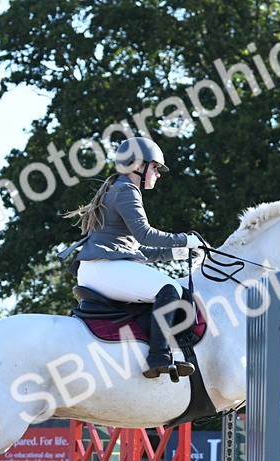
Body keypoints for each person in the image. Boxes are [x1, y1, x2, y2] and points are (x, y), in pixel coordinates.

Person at [62, 136, 203, 379]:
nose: (158, 174)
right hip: (103, 268)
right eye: (155, 168)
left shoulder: (120, 188)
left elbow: (138, 248)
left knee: (166, 288)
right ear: (139, 165)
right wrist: (184, 239)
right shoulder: (126, 189)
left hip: (103, 267)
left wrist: (178, 252)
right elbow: (145, 235)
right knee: (170, 288)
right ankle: (158, 357)